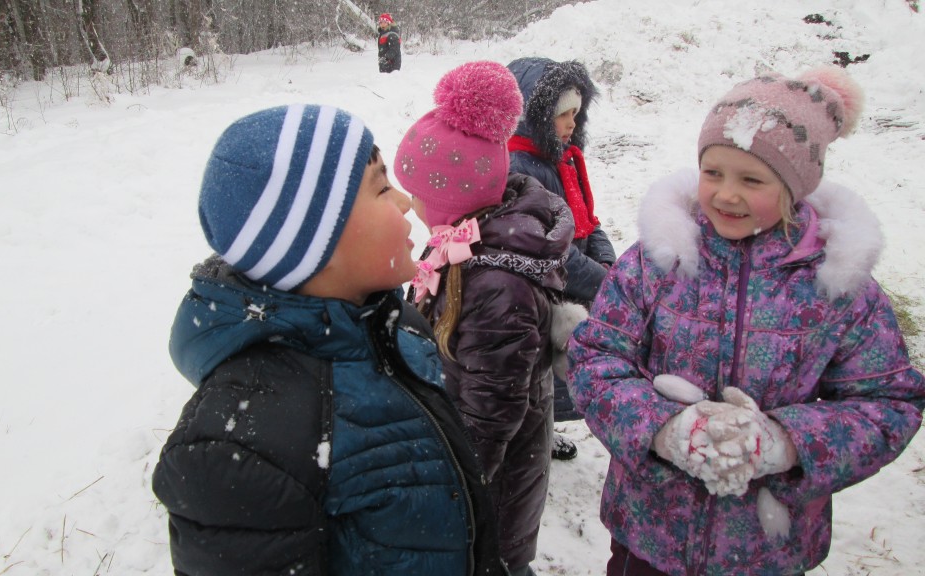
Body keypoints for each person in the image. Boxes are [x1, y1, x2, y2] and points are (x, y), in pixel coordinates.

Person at [568, 66, 925, 575]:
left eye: (752, 179)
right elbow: (595, 357)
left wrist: (783, 443)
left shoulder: (838, 287)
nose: (726, 195)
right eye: (713, 173)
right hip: (651, 532)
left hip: (766, 548)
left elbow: (888, 404)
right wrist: (664, 429)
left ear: (796, 185)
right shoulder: (658, 261)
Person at [151, 104, 509, 576]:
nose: (404, 202)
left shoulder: (392, 321)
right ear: (316, 244)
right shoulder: (243, 448)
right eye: (381, 187)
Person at [395, 60, 574, 576]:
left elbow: (489, 415)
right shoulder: (461, 251)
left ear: (449, 199)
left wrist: (450, 492)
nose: (409, 204)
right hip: (481, 477)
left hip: (489, 495)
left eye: (417, 194)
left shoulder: (495, 284)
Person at [507, 56, 616, 460]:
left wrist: (608, 262)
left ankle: (542, 426)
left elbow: (588, 221)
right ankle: (529, 435)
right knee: (536, 368)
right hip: (540, 290)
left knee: (554, 368)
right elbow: (550, 248)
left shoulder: (562, 158)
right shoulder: (520, 167)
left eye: (576, 113)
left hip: (569, 285)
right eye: (562, 114)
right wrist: (605, 281)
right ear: (532, 116)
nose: (572, 123)